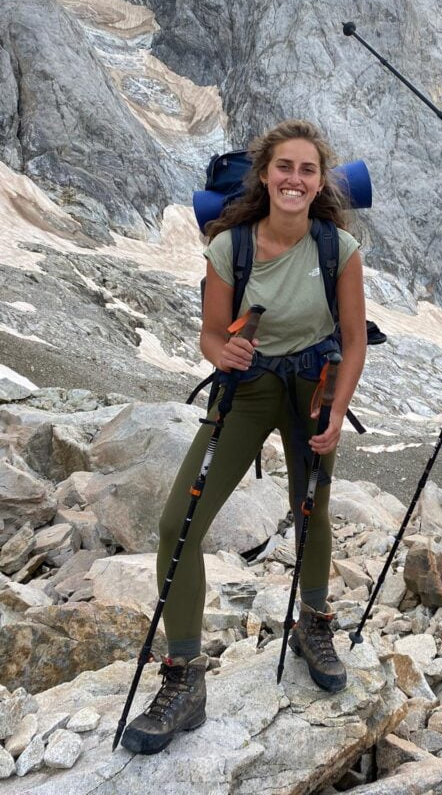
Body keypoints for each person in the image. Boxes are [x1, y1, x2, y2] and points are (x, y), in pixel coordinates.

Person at [122, 120, 367, 755]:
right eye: (284, 167)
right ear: (265, 175)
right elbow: (210, 333)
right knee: (179, 523)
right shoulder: (230, 247)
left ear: (319, 182)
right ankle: (184, 679)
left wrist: (337, 411)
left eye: (307, 170)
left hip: (314, 385)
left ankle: (312, 625)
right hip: (249, 388)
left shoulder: (337, 249)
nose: (294, 179)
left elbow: (354, 337)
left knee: (310, 511)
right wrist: (223, 351)